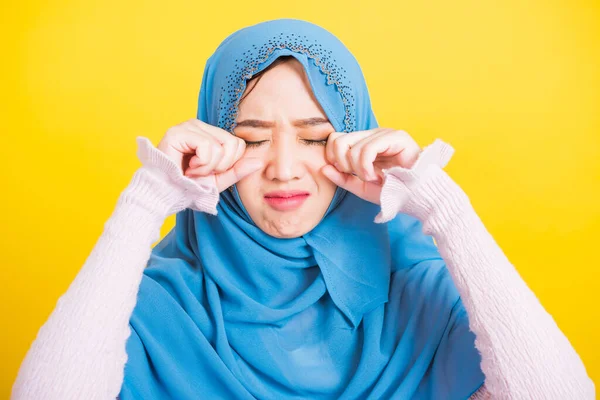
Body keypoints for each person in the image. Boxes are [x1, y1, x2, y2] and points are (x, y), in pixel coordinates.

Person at [11, 19, 595, 400]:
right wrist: (146, 201)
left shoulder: (420, 292)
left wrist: (444, 207)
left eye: (316, 138)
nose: (285, 169)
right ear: (216, 139)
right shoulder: (160, 302)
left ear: (356, 138)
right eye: (254, 136)